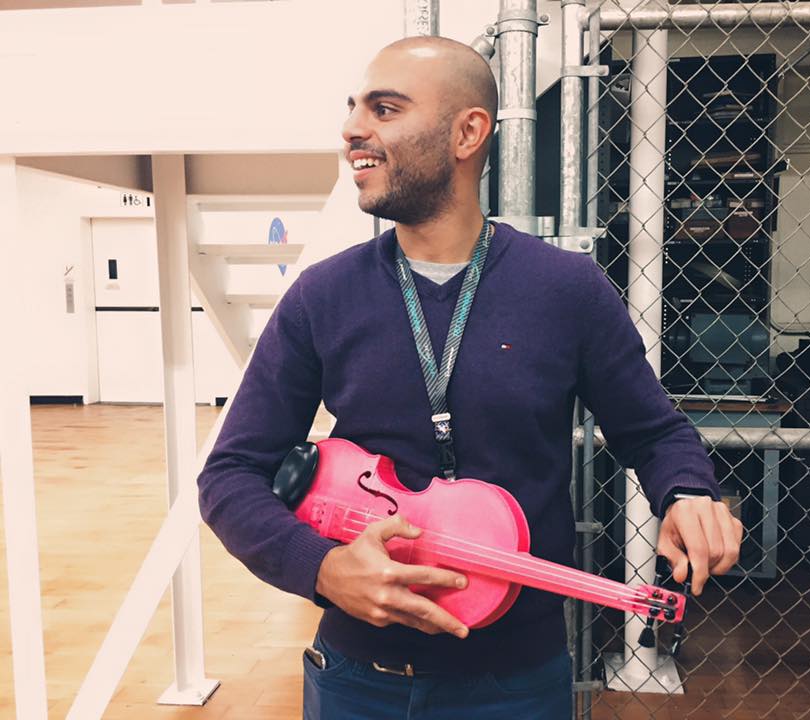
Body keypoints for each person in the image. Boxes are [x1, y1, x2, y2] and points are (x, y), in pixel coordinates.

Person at [197, 36, 743, 720]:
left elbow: (655, 432)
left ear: (468, 132)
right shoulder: (321, 296)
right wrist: (322, 568)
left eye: (385, 108)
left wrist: (688, 491)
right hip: (357, 677)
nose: (353, 130)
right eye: (353, 110)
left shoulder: (567, 290)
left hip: (517, 683)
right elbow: (230, 476)